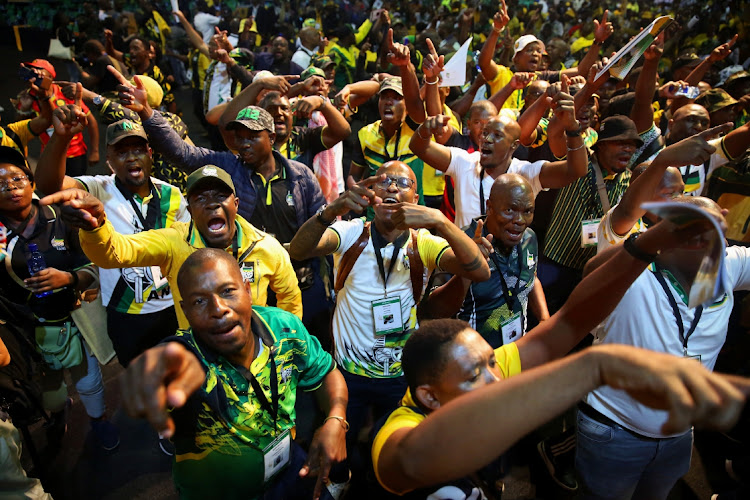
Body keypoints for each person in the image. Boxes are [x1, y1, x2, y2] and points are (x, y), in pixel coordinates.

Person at [371, 215, 750, 497]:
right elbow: (410, 463)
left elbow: (570, 322)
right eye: (475, 374)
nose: (497, 378)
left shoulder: (489, 375)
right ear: (429, 397)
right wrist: (592, 368)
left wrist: (648, 243)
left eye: (491, 362)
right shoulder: (397, 432)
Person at [116, 249, 348, 500]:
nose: (218, 309)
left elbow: (326, 373)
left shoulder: (284, 328)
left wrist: (336, 418)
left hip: (289, 467)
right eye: (199, 301)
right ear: (185, 310)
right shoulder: (186, 359)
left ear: (247, 290)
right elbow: (165, 367)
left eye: (228, 291)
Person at [289, 160, 490, 447]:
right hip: (349, 372)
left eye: (403, 183)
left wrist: (439, 220)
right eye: (383, 181)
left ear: (415, 201)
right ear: (370, 193)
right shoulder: (350, 233)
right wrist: (332, 210)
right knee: (341, 447)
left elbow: (480, 272)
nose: (392, 186)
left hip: (399, 373)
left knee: (393, 444)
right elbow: (298, 251)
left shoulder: (425, 243)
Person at [577, 196, 750, 500]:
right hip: (615, 432)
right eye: (694, 231)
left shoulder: (726, 266)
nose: (711, 243)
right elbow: (591, 274)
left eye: (716, 230)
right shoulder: (636, 275)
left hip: (679, 436)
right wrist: (648, 241)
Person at [34, 87, 189, 368]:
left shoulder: (173, 195)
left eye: (138, 149)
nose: (131, 157)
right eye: (122, 151)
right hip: (126, 313)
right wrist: (61, 137)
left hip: (172, 307)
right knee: (139, 384)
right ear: (109, 159)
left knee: (182, 379)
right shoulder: (98, 188)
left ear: (150, 154)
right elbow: (49, 186)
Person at [45, 165, 302, 329]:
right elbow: (116, 253)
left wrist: (282, 341)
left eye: (220, 196)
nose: (211, 204)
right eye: (200, 198)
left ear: (235, 203)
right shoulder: (173, 242)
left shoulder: (267, 247)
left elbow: (289, 297)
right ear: (189, 210)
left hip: (253, 354)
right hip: (200, 359)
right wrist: (96, 225)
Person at [0, 146, 118, 450]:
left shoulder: (61, 215)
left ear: (31, 181)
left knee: (88, 379)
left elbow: (97, 264)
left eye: (17, 179)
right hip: (26, 329)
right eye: (1, 184)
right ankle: (56, 412)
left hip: (75, 317)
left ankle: (99, 421)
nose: (11, 188)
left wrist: (69, 278)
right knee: (47, 387)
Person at [410, 90, 588, 229]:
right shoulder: (465, 162)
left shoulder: (525, 174)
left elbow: (576, 170)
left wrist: (572, 128)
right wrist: (425, 130)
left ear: (514, 145)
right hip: (465, 264)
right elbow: (419, 147)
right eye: (485, 133)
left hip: (507, 268)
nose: (486, 139)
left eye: (497, 135)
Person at [424, 174, 549, 348]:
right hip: (475, 357)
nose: (519, 220)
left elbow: (531, 276)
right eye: (509, 210)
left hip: (516, 351)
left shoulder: (529, 238)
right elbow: (436, 311)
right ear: (489, 207)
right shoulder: (460, 243)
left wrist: (544, 319)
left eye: (527, 211)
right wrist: (470, 267)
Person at [25, 59, 100, 177]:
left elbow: (91, 122)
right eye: (32, 70)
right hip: (50, 153)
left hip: (75, 154)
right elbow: (22, 125)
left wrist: (95, 151)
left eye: (39, 70)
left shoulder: (66, 93)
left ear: (50, 76)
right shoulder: (29, 95)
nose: (35, 72)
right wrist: (23, 109)